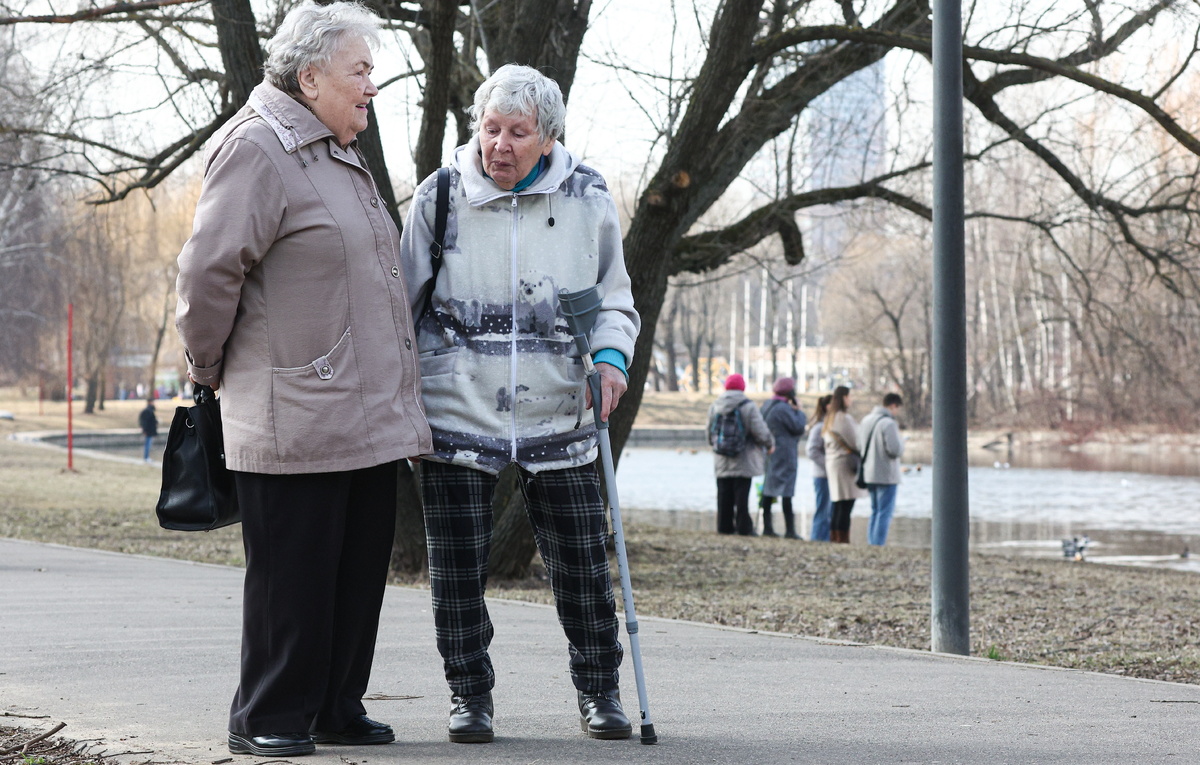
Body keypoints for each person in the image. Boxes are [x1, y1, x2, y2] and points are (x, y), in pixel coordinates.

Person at [174, 2, 431, 757]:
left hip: (366, 414)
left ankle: (334, 706)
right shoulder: (258, 148)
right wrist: (208, 370)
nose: (372, 86)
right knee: (292, 578)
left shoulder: (336, 152)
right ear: (310, 77)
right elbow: (207, 272)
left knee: (354, 574)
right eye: (361, 71)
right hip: (293, 409)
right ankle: (268, 713)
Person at [400, 64, 641, 744]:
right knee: (455, 572)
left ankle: (600, 690)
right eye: (490, 128)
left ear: (548, 137)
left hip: (560, 411)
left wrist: (611, 358)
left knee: (582, 569)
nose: (499, 145)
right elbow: (400, 304)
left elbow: (614, 299)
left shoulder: (587, 196)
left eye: (517, 132)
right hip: (457, 409)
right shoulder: (439, 196)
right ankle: (468, 695)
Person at [707, 373, 775, 536]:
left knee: (723, 493)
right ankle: (744, 527)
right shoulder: (748, 406)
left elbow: (709, 432)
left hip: (722, 457)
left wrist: (715, 445)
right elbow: (759, 430)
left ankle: (724, 527)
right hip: (744, 457)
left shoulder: (715, 405)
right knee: (741, 495)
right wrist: (769, 444)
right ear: (742, 387)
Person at [759, 377, 807, 539]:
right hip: (785, 453)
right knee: (786, 491)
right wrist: (799, 411)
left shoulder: (767, 405)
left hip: (769, 452)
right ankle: (790, 530)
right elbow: (798, 427)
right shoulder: (783, 409)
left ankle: (767, 527)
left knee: (768, 488)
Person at [858, 392, 906, 546]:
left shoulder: (866, 420)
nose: (897, 412)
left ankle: (872, 542)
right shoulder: (889, 423)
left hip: (869, 473)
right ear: (893, 406)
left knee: (875, 510)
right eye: (897, 408)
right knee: (885, 512)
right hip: (886, 475)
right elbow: (895, 450)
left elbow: (859, 445)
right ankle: (878, 544)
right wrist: (903, 443)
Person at [822, 385, 864, 543]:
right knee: (846, 504)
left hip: (833, 463)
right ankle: (842, 539)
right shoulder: (843, 418)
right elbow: (856, 442)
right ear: (844, 398)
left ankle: (834, 538)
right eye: (849, 396)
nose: (851, 400)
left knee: (838, 504)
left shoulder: (830, 418)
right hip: (844, 464)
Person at [805, 394, 833, 542]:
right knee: (823, 509)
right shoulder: (819, 427)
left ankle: (825, 539)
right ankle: (816, 538)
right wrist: (829, 465)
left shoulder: (828, 425)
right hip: (822, 475)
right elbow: (811, 451)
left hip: (828, 475)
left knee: (828, 510)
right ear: (828, 406)